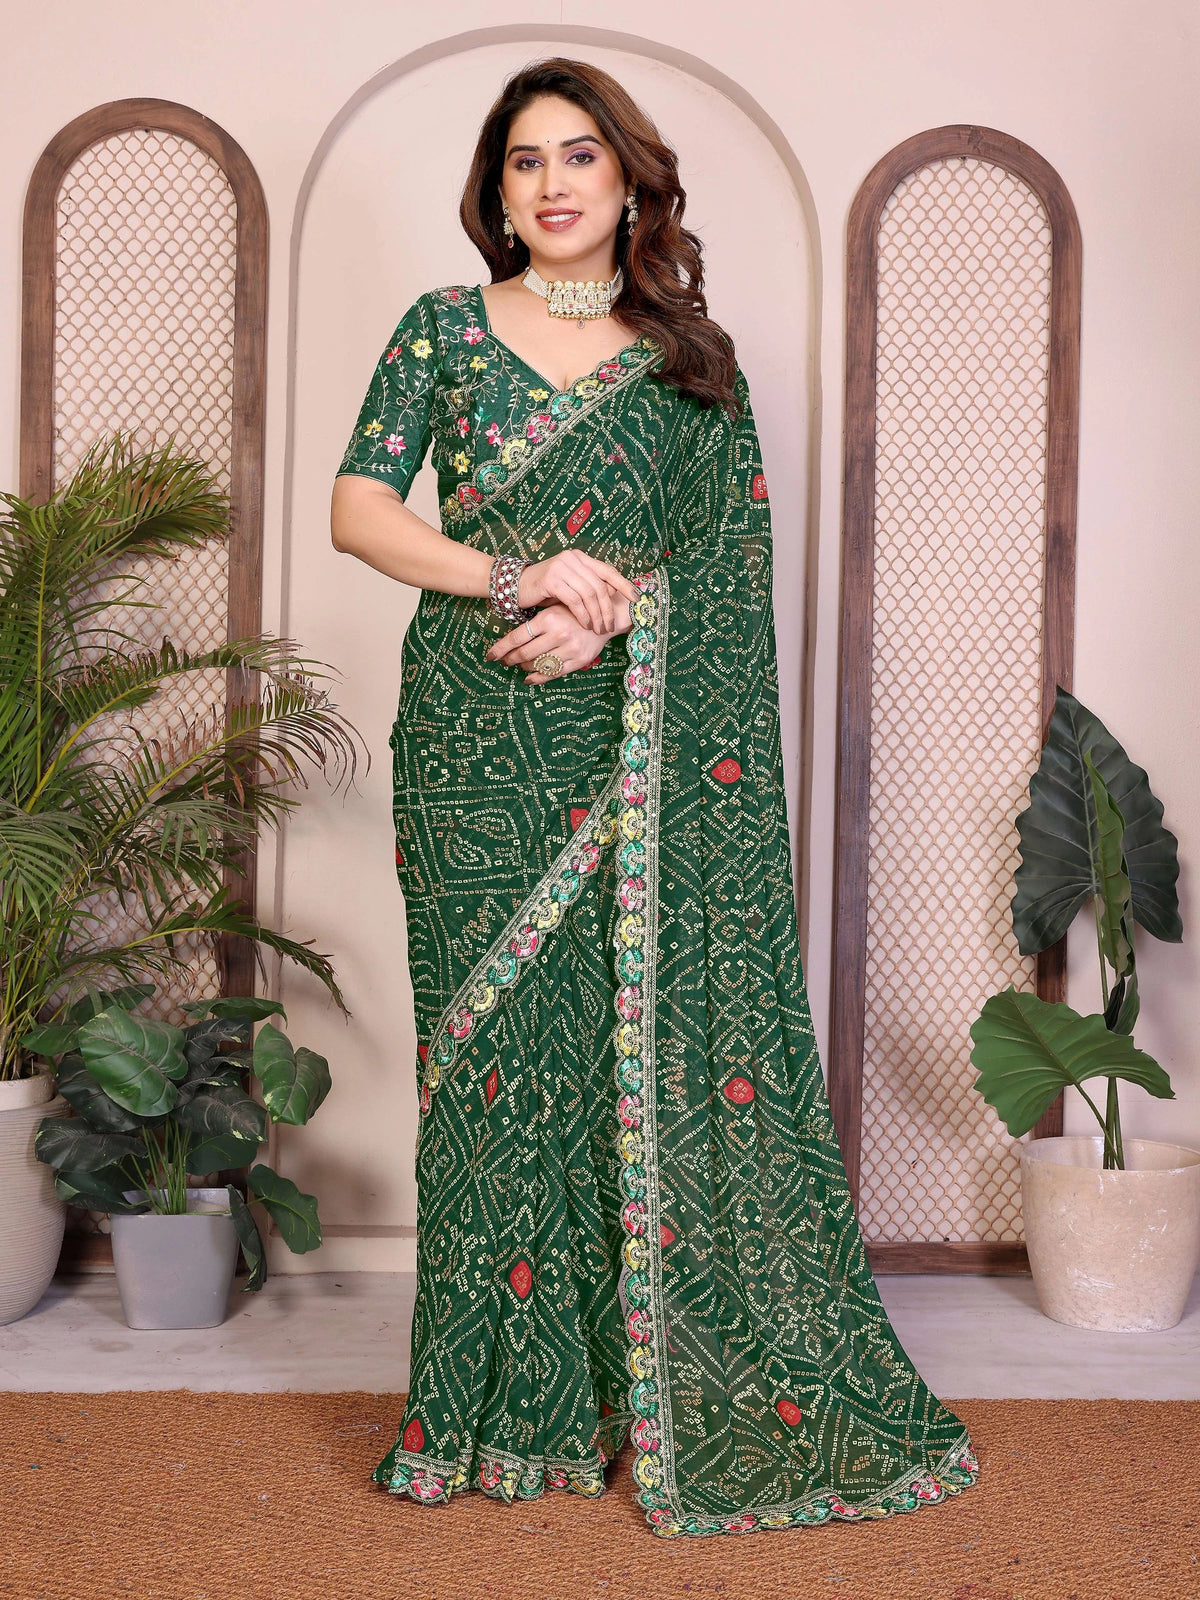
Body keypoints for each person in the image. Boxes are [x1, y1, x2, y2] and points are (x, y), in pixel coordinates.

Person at [330, 56, 980, 1540]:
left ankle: (637, 1392)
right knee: (496, 1071)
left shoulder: (694, 364)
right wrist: (518, 570)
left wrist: (616, 610)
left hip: (633, 749)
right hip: (473, 742)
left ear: (631, 182)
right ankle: (496, 1415)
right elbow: (359, 509)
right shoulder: (440, 331)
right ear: (495, 192)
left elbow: (729, 579)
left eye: (578, 157)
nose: (550, 184)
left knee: (617, 1053)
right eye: (521, 163)